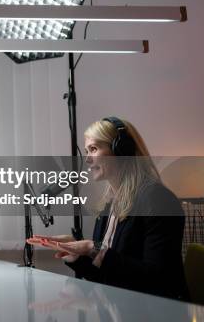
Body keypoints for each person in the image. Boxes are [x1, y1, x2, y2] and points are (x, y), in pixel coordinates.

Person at [27, 117, 188, 300]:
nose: (87, 159)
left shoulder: (158, 200)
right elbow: (107, 276)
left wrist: (92, 248)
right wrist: (76, 255)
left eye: (94, 149)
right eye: (87, 151)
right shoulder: (110, 205)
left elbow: (158, 279)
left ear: (121, 150)